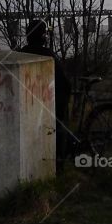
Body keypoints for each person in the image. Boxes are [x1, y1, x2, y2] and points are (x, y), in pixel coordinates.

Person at [24, 19, 73, 169]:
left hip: (29, 105)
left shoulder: (20, 53)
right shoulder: (48, 55)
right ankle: (59, 162)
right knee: (60, 125)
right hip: (51, 102)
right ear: (43, 36)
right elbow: (64, 82)